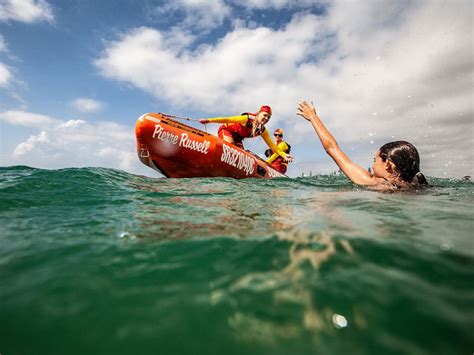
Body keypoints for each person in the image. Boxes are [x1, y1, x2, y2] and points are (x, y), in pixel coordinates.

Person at [296, 100, 428, 190]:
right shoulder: (418, 184)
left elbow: (331, 148)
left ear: (388, 164)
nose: (372, 165)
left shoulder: (374, 183)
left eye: (375, 160)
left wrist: (312, 117)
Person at [200, 105, 293, 162]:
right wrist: (209, 120)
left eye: (269, 117)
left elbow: (273, 146)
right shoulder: (246, 119)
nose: (266, 119)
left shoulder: (263, 131)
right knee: (232, 149)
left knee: (241, 156)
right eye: (265, 115)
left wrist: (284, 155)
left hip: (238, 138)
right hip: (226, 130)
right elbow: (228, 119)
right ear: (259, 113)